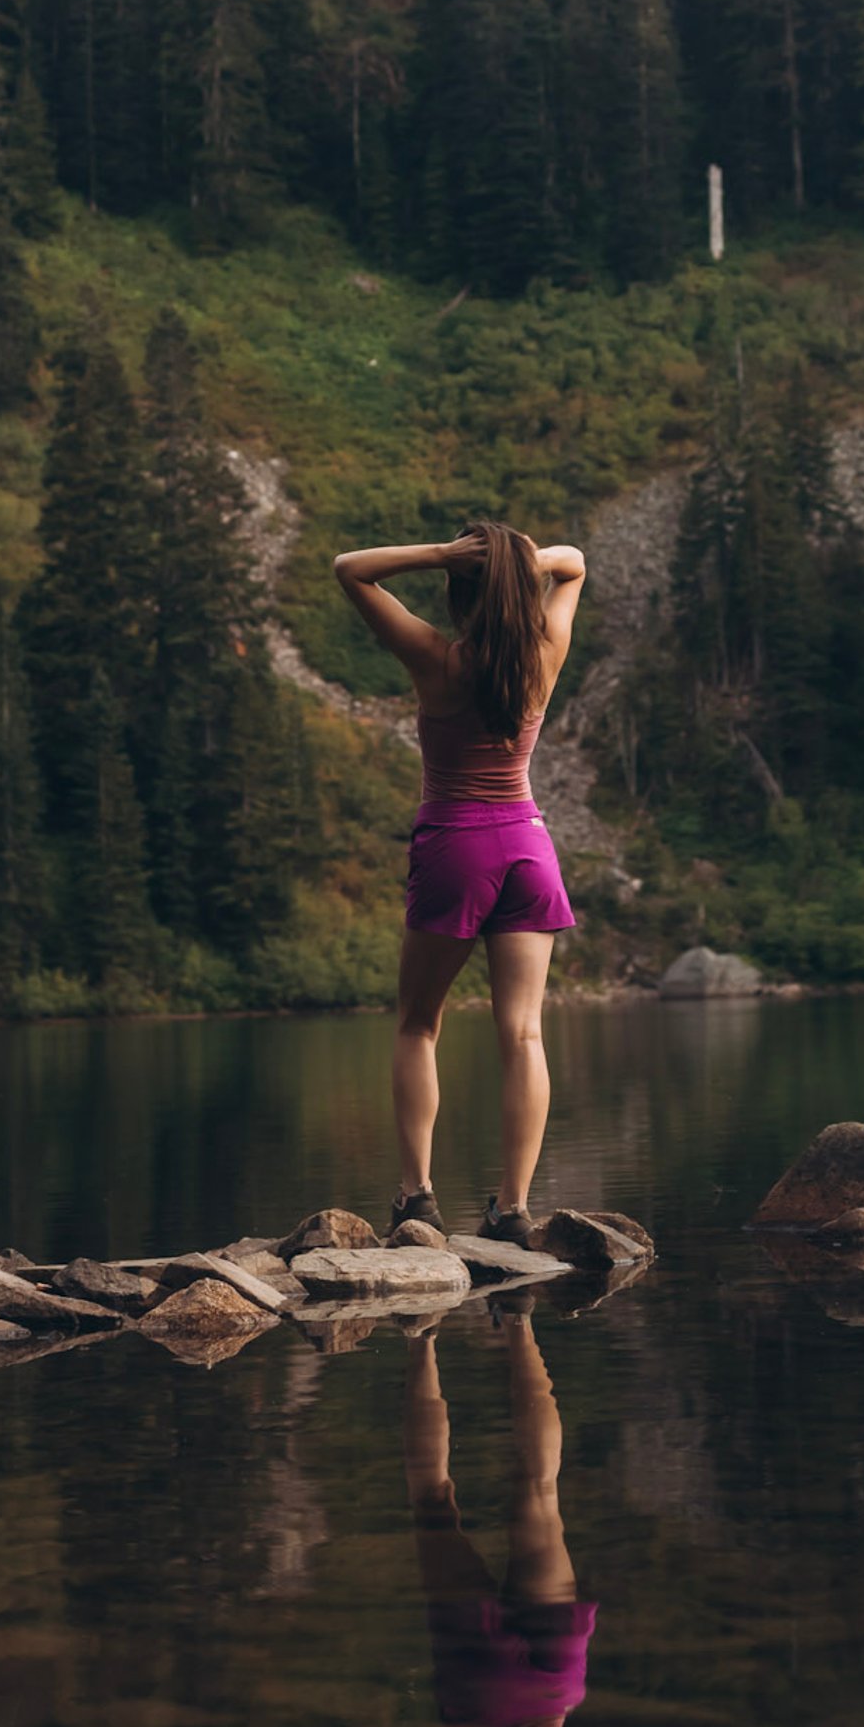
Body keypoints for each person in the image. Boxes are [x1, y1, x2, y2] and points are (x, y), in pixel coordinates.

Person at [332, 520, 586, 1240]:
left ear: (457, 587)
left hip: (456, 847)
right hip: (529, 847)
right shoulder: (545, 653)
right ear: (518, 586)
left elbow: (351, 567)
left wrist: (443, 552)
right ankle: (511, 1206)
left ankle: (417, 1199)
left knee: (418, 1024)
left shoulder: (436, 659)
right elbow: (575, 568)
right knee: (525, 1034)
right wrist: (524, 557)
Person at [404, 1314, 595, 1727]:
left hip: (556, 1691)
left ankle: (521, 1316)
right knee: (432, 1503)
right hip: (479, 1697)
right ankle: (421, 1333)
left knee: (540, 1487)